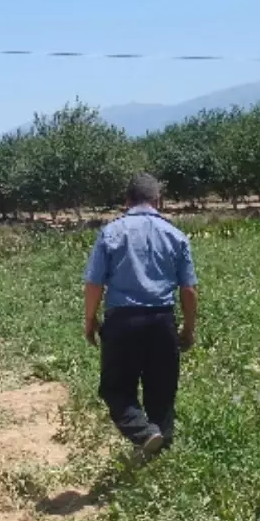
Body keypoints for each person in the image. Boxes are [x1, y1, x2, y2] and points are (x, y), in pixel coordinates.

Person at [83, 173, 198, 461]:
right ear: (158, 201)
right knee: (161, 393)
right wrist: (188, 328)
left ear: (127, 201)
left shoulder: (111, 232)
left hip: (123, 322)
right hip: (163, 321)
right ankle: (160, 458)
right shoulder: (176, 235)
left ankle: (145, 435)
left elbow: (94, 283)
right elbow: (189, 289)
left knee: (116, 388)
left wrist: (90, 319)